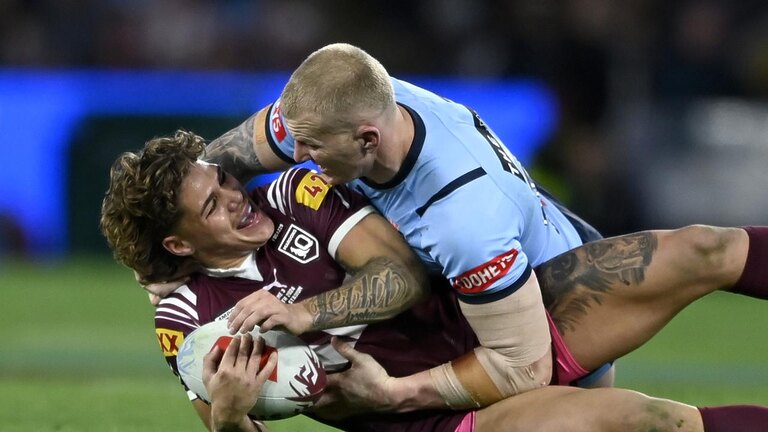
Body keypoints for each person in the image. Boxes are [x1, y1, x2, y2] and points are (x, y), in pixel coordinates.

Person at [187, 42, 768, 410]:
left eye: (312, 148)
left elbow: (523, 366)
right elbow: (225, 160)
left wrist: (394, 395)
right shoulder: (352, 105)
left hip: (547, 306)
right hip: (520, 254)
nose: (302, 157)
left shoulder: (459, 217)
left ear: (367, 139)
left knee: (646, 414)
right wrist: (171, 227)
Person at [101, 132, 768, 432]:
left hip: (493, 325)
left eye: (221, 178)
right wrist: (227, 416)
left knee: (701, 248)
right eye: (212, 204)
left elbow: (404, 275)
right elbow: (228, 422)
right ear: (178, 243)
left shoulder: (292, 193)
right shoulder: (187, 320)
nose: (233, 197)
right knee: (652, 423)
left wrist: (309, 314)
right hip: (434, 419)